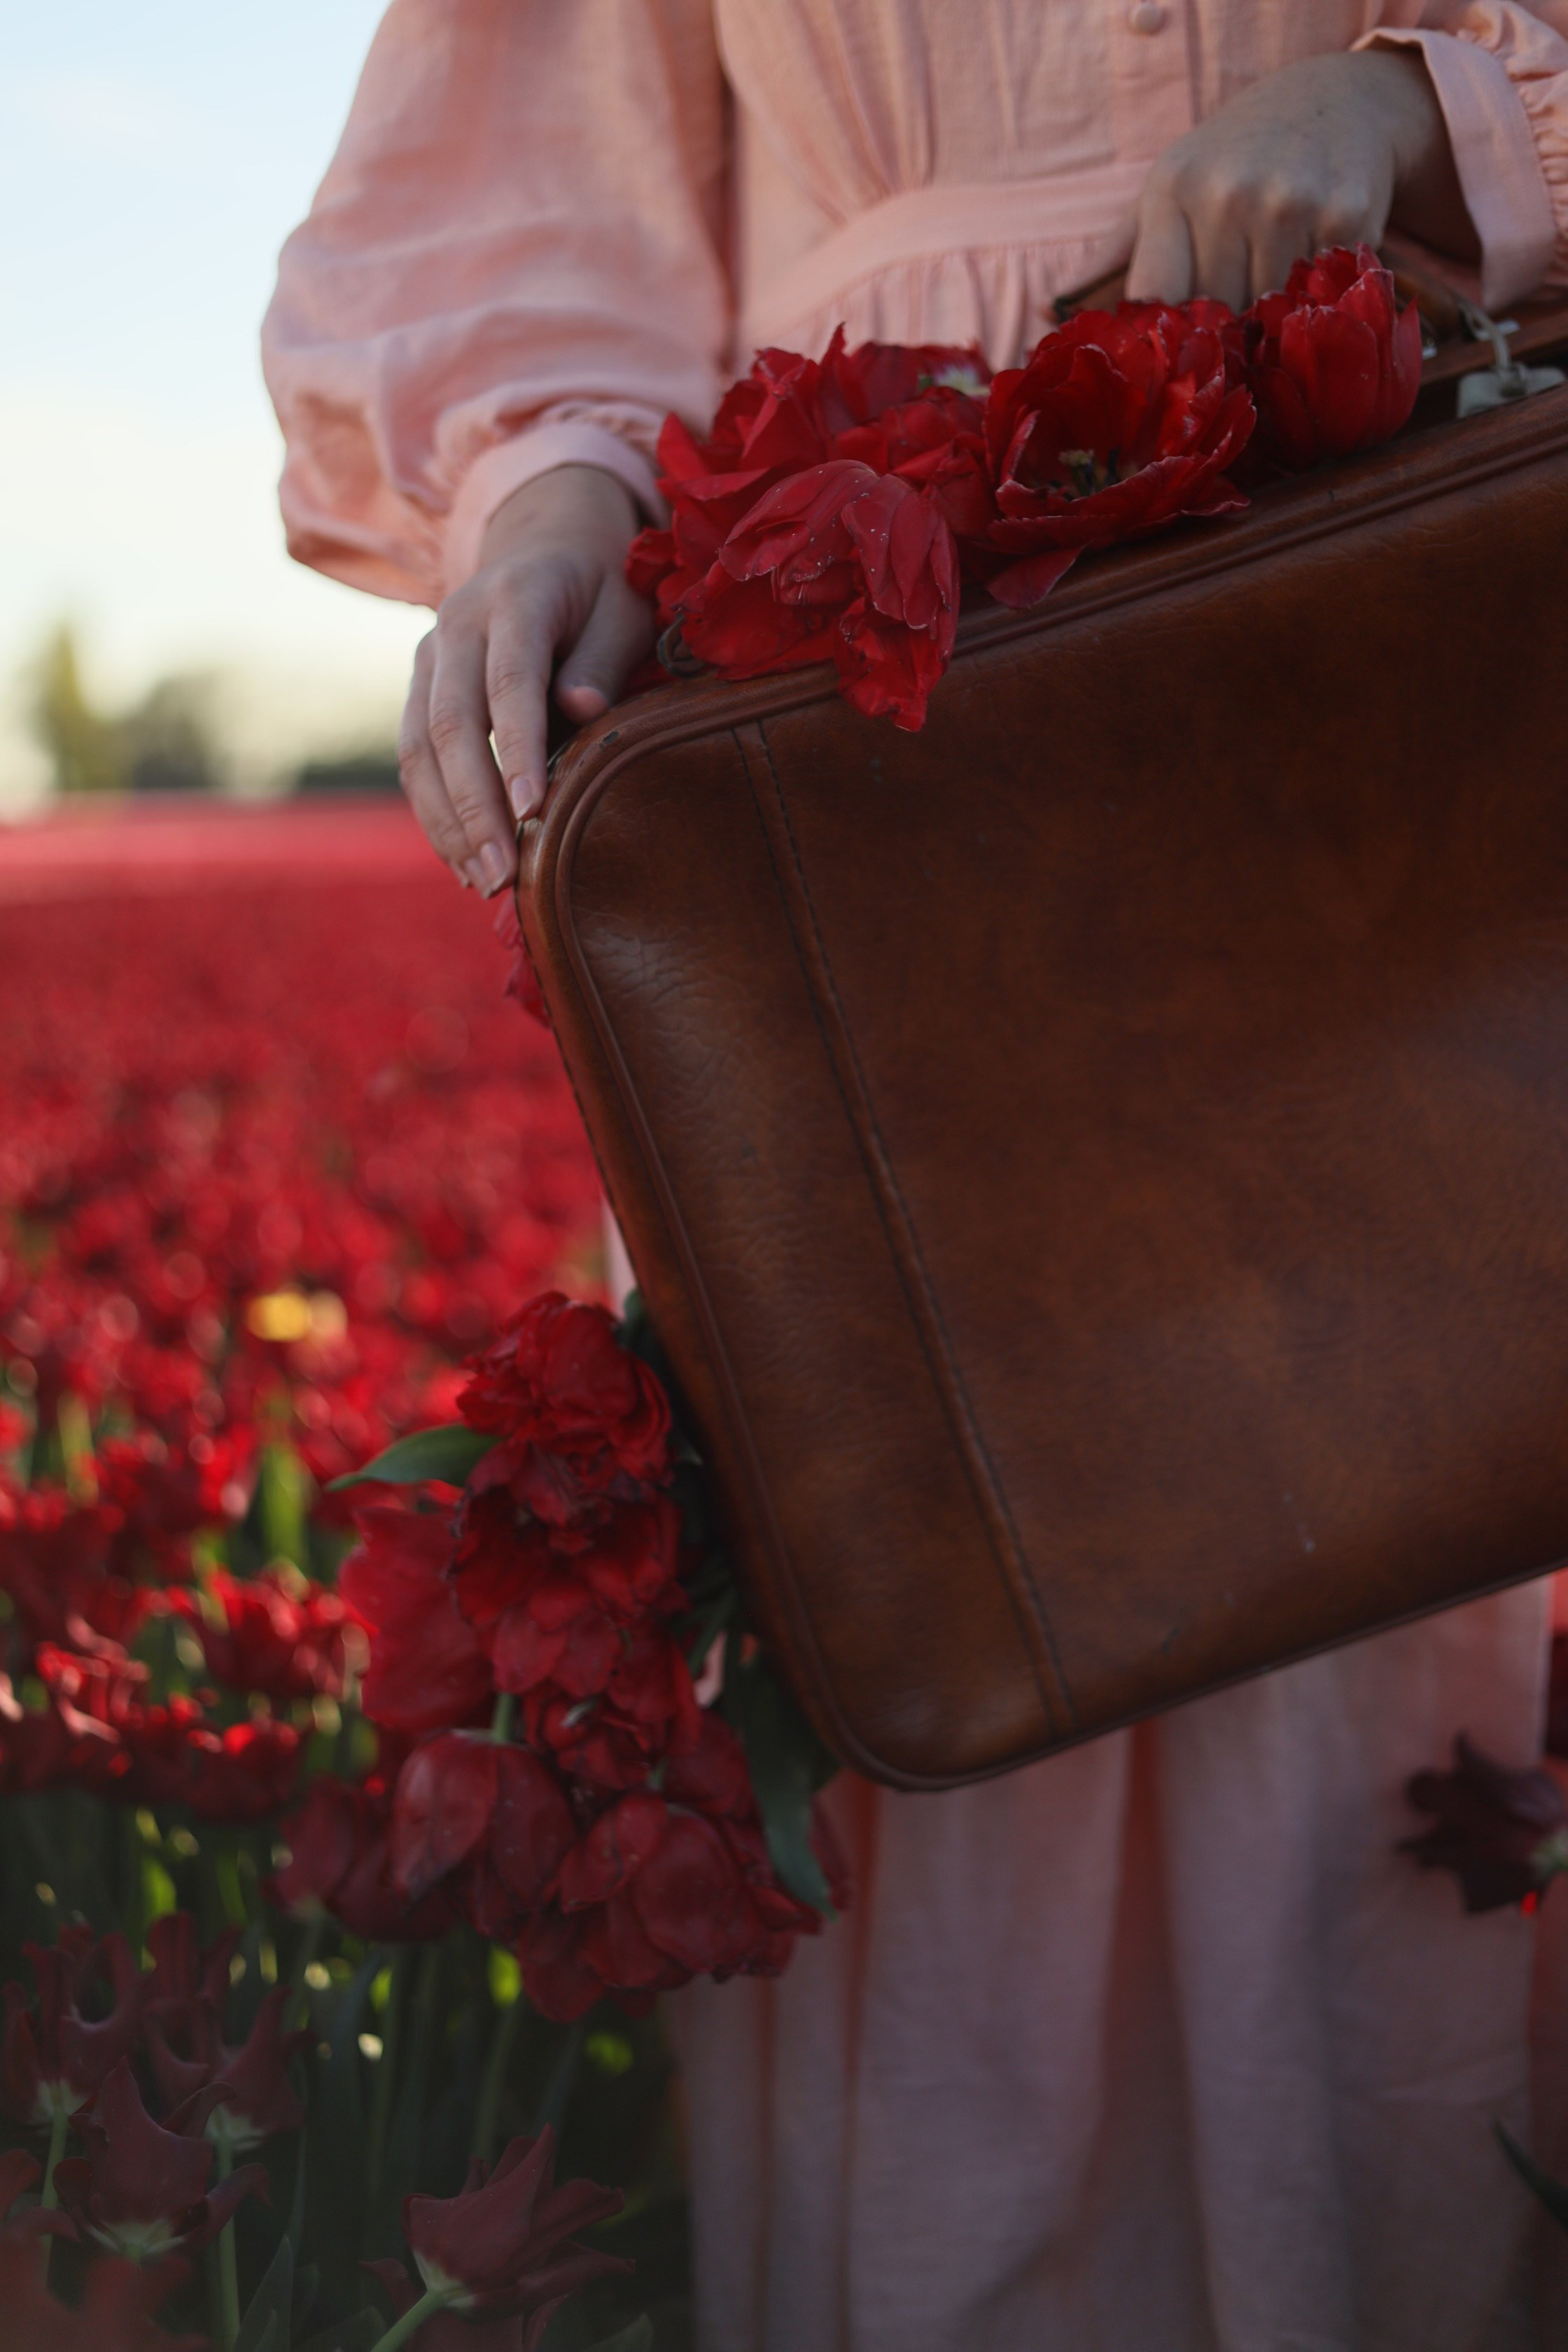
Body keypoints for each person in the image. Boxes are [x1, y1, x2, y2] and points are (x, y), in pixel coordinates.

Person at [265, 7, 1568, 2344]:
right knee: (951, 1587)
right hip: (844, 663)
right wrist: (558, 500)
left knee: (1398, 1479)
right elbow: (544, 184)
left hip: (1378, 550)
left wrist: (1432, 106)